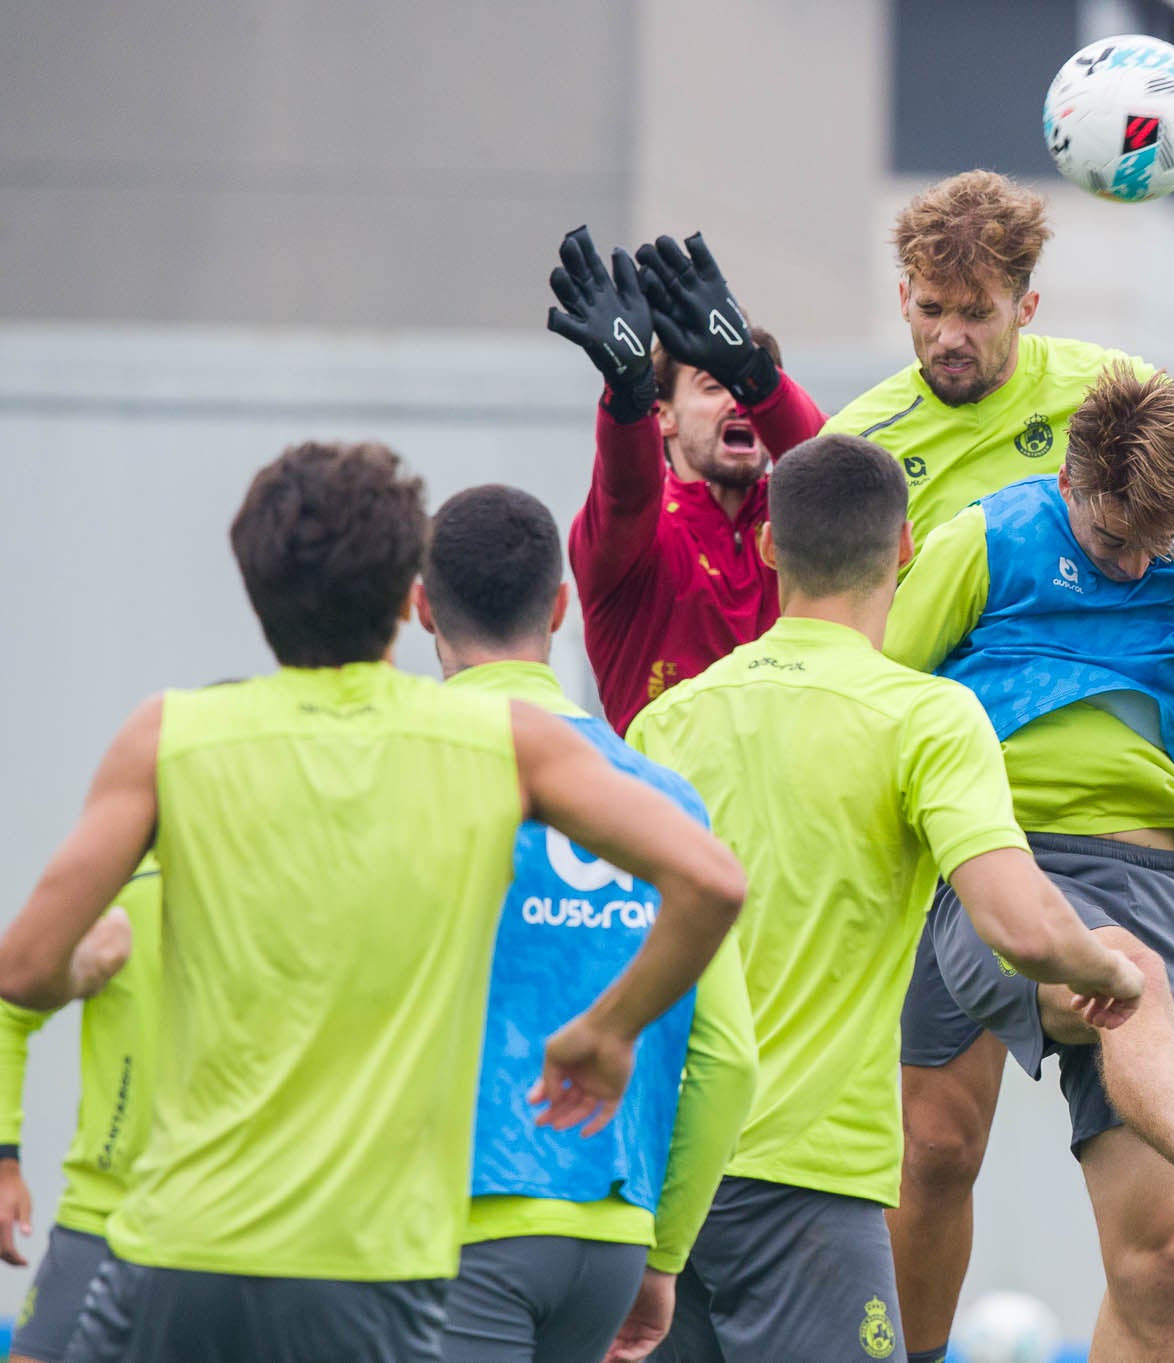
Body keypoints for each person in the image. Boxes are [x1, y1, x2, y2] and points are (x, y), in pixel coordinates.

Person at [634, 168, 1174, 1357]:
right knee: (936, 1146)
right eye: (929, 311)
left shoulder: (1126, 415)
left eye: (978, 313)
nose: (951, 336)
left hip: (1148, 836)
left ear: (1027, 305)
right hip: (959, 815)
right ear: (901, 298)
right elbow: (843, 620)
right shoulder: (894, 461)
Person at [0, 440, 748, 1363]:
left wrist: (84, 965)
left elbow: (24, 970)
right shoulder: (492, 744)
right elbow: (713, 881)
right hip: (368, 1261)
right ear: (407, 599)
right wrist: (608, 1030)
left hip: (179, 1243)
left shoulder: (171, 733)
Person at [625, 433, 1145, 1363]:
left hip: (660, 1167)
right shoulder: (927, 717)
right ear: (905, 548)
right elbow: (1019, 924)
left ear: (772, 546)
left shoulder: (668, 720)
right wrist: (1110, 967)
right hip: (809, 1180)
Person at [883, 366, 1174, 1362]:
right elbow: (879, 691)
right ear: (1068, 484)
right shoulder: (987, 538)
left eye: (1154, 541)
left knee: (1161, 1264)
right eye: (1107, 538)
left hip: (1146, 874)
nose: (1133, 564)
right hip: (991, 860)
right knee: (938, 1154)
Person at [414, 483, 759, 1363]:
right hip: (609, 1231)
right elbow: (727, 1060)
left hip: (450, 1222)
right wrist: (662, 1250)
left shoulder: (401, 767)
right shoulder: (660, 800)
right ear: (562, 608)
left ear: (421, 607)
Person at [543, 225, 828, 731]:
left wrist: (751, 369)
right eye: (714, 385)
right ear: (664, 415)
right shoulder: (638, 537)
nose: (738, 401)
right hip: (667, 807)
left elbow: (840, 472)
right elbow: (627, 495)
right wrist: (627, 395)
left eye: (747, 391)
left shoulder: (808, 527)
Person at [0, 864, 156, 1363]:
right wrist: (4, 1162)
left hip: (243, 1234)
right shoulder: (129, 894)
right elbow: (7, 1009)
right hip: (102, 1219)